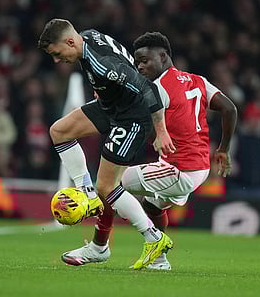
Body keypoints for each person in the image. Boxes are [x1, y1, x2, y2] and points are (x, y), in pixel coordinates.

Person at [61, 32, 237, 270]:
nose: (140, 66)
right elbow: (229, 108)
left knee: (109, 185)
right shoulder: (197, 80)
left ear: (163, 56)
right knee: (153, 205)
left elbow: (132, 111)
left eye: (145, 60)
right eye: (137, 62)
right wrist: (223, 149)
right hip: (199, 166)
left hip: (179, 168)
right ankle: (160, 261)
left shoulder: (157, 88)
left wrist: (106, 96)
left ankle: (99, 247)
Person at [37, 19, 176, 270]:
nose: (57, 61)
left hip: (132, 117)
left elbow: (147, 91)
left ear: (70, 42)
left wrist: (161, 131)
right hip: (110, 106)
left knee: (107, 186)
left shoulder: (104, 65)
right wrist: (103, 89)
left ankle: (152, 237)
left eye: (57, 54)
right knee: (59, 131)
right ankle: (86, 194)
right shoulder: (88, 37)